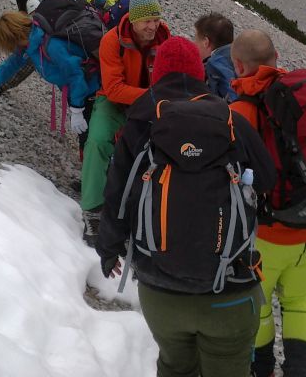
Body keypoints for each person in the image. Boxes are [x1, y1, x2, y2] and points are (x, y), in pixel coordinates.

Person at [96, 37, 276, 377]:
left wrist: (108, 248)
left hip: (160, 291)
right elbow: (267, 179)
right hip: (229, 291)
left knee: (175, 365)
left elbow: (117, 193)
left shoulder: (141, 121)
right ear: (200, 74)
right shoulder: (230, 120)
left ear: (157, 73)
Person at [229, 30, 306, 377]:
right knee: (298, 300)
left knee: (258, 305)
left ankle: (263, 370)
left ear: (239, 65)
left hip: (271, 234)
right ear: (276, 57)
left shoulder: (244, 109)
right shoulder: (302, 99)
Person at [79, 0, 170, 244]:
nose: (153, 26)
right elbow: (114, 89)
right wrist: (154, 97)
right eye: (147, 21)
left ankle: (142, 208)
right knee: (97, 141)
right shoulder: (112, 40)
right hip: (115, 102)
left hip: (150, 103)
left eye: (156, 19)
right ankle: (93, 209)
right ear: (133, 19)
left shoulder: (165, 40)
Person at [0, 0, 99, 127]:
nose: (12, 49)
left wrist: (77, 109)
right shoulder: (31, 43)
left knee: (89, 138)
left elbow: (76, 75)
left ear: (15, 37)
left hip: (93, 90)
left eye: (10, 44)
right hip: (78, 92)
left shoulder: (51, 45)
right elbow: (10, 65)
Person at [194, 12, 238, 101]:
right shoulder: (239, 60)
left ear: (205, 42)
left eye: (196, 40)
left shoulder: (211, 66)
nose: (194, 44)